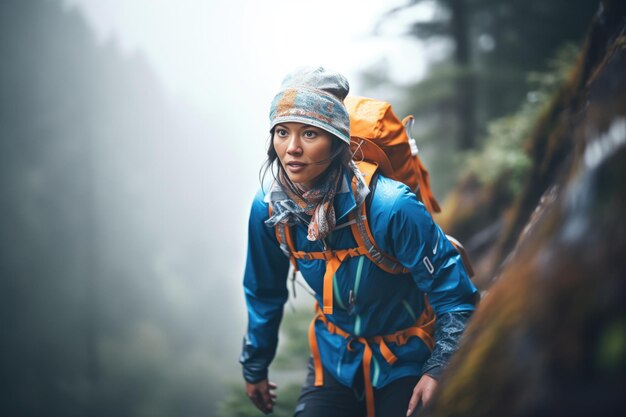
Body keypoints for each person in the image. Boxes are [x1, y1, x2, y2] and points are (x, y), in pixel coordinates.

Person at [239, 66, 478, 417]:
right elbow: (263, 289)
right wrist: (255, 366)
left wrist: (438, 368)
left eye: (309, 133)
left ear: (337, 141)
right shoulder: (271, 209)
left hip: (408, 358)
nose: (291, 149)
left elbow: (453, 293)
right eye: (281, 132)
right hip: (334, 357)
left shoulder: (390, 207)